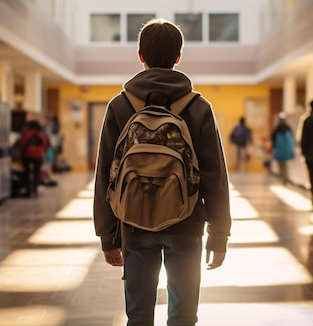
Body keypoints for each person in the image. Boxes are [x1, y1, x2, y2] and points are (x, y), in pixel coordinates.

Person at [93, 18, 231, 326]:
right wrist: (219, 235)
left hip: (133, 224)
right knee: (183, 316)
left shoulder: (120, 105)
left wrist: (107, 235)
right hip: (187, 221)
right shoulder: (198, 106)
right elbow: (215, 176)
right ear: (179, 56)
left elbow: (105, 174)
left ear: (140, 55)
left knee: (138, 316)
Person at [19, 119, 49, 197]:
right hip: (38, 156)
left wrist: (22, 155)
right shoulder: (41, 134)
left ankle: (28, 190)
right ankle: (35, 190)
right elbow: (45, 144)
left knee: (26, 173)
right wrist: (41, 151)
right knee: (36, 173)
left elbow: (23, 144)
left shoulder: (28, 133)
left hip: (28, 155)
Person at [270, 112, 295, 185]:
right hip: (286, 150)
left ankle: (284, 178)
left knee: (281, 165)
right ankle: (285, 178)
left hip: (280, 151)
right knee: (285, 165)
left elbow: (273, 140)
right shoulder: (288, 128)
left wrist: (274, 148)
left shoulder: (277, 129)